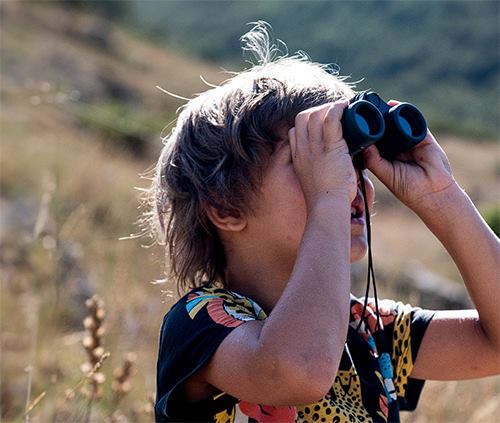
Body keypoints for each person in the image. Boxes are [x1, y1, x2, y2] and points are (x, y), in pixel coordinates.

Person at [147, 22, 500, 423]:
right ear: (226, 207)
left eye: (353, 164)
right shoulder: (204, 321)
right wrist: (327, 198)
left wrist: (443, 199)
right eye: (309, 165)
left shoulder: (368, 331)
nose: (349, 185)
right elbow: (299, 369)